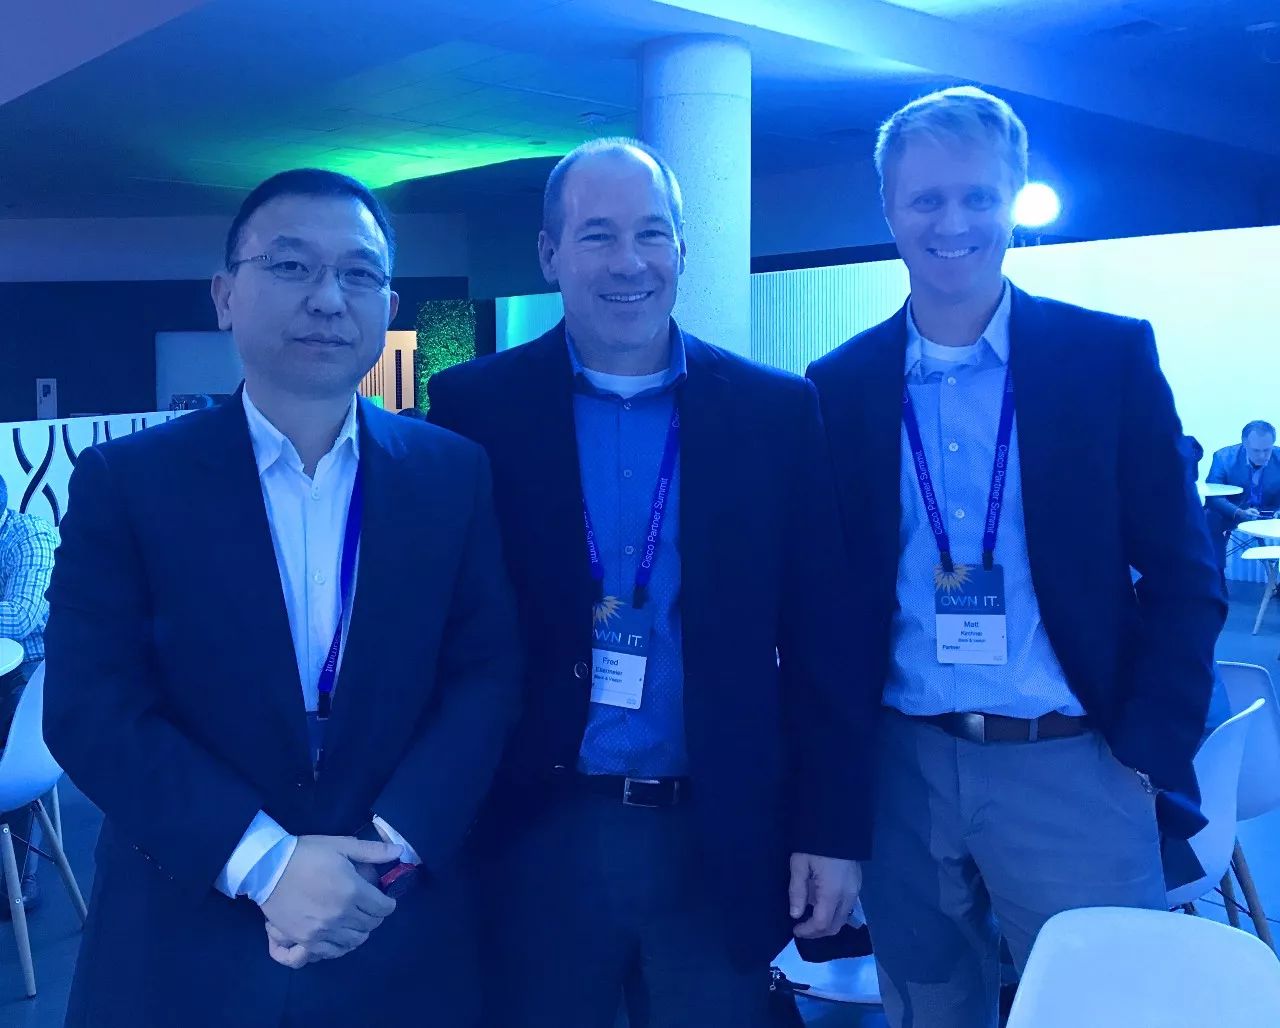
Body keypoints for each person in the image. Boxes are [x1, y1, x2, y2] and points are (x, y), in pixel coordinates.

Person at [43, 169, 521, 1027]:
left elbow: (486, 674)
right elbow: (91, 707)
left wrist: (389, 850)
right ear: (225, 295)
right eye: (293, 266)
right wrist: (265, 863)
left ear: (388, 305)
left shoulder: (452, 475)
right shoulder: (129, 482)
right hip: (183, 925)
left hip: (392, 918)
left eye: (358, 273)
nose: (328, 298)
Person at [428, 138, 874, 1028]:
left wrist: (832, 830)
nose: (628, 261)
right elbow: (446, 633)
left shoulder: (775, 413)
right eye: (597, 235)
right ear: (550, 253)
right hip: (534, 830)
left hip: (718, 831)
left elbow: (824, 642)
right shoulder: (475, 409)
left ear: (681, 249)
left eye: (651, 233)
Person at [805, 88, 1226, 1028]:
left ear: (1014, 200)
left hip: (1074, 761)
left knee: (1103, 1014)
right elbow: (827, 613)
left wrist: (1147, 753)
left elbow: (1185, 577)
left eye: (978, 198)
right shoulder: (839, 386)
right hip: (903, 769)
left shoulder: (1105, 359)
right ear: (889, 210)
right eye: (926, 200)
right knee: (928, 1012)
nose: (952, 224)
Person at [0, 472, 58, 915]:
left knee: (9, 742)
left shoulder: (29, 537)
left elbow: (21, 618)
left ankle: (16, 876)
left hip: (31, 673)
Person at [1205, 420, 1280, 566]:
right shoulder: (1223, 457)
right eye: (1256, 450)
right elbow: (1213, 497)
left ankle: (1276, 575)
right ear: (1244, 444)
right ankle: (1216, 573)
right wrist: (1238, 512)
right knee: (1208, 517)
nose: (1262, 455)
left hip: (1271, 511)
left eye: (1267, 450)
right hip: (1234, 511)